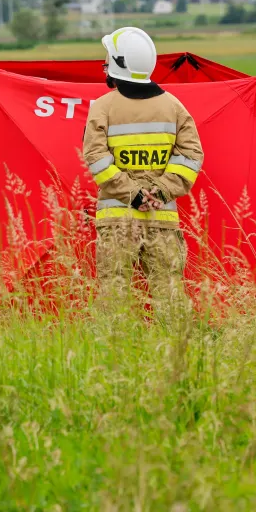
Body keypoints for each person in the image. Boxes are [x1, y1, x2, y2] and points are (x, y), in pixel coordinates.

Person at [82, 27, 204, 324]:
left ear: (118, 64)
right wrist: (160, 191)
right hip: (161, 217)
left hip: (117, 219)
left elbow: (96, 158)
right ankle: (179, 358)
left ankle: (111, 358)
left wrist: (132, 194)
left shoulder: (102, 107)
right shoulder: (174, 106)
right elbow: (191, 157)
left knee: (113, 293)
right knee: (170, 293)